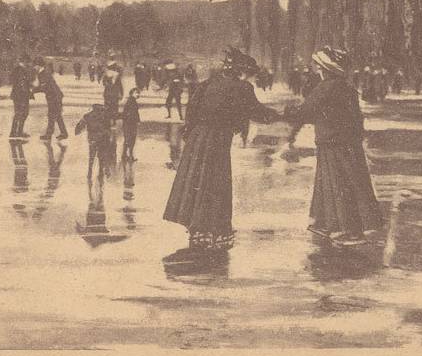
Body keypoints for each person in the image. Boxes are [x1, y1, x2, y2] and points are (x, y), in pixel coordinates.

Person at [163, 47, 280, 253]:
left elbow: (192, 108)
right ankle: (215, 230)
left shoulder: (208, 83)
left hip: (197, 137)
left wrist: (190, 132)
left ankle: (196, 228)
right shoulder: (242, 88)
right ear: (240, 71)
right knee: (216, 182)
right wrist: (280, 115)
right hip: (218, 139)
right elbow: (257, 112)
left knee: (196, 180)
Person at [284, 46, 383, 245]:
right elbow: (356, 117)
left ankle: (346, 229)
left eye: (319, 66)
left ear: (324, 69)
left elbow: (307, 111)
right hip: (348, 141)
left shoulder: (325, 87)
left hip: (332, 142)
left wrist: (287, 113)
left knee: (336, 184)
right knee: (347, 182)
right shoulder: (346, 88)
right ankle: (330, 224)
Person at [75, 103, 113, 182]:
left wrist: (78, 131)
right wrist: (108, 137)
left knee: (91, 156)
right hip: (102, 139)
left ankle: (90, 172)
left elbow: (79, 127)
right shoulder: (104, 116)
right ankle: (101, 173)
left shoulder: (87, 116)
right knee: (101, 157)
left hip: (92, 140)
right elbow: (109, 127)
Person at [33, 57, 68, 141]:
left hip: (54, 97)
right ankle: (64, 133)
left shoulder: (44, 73)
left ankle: (49, 135)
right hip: (55, 96)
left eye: (35, 66)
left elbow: (44, 86)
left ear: (38, 65)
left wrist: (33, 90)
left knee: (51, 115)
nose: (34, 67)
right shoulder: (44, 72)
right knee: (57, 115)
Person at [9, 55, 33, 139]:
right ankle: (16, 132)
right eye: (28, 62)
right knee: (22, 113)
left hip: (18, 94)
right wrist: (27, 92)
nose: (29, 64)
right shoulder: (20, 70)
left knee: (20, 113)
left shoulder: (18, 69)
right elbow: (21, 83)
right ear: (24, 61)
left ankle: (17, 131)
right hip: (21, 95)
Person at [122, 88, 141, 161]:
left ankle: (125, 155)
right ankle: (129, 156)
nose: (138, 94)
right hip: (130, 123)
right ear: (132, 93)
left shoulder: (131, 101)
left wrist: (138, 120)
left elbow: (135, 113)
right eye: (136, 93)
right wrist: (136, 121)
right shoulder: (131, 101)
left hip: (129, 123)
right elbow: (132, 113)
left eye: (138, 93)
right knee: (131, 139)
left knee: (128, 139)